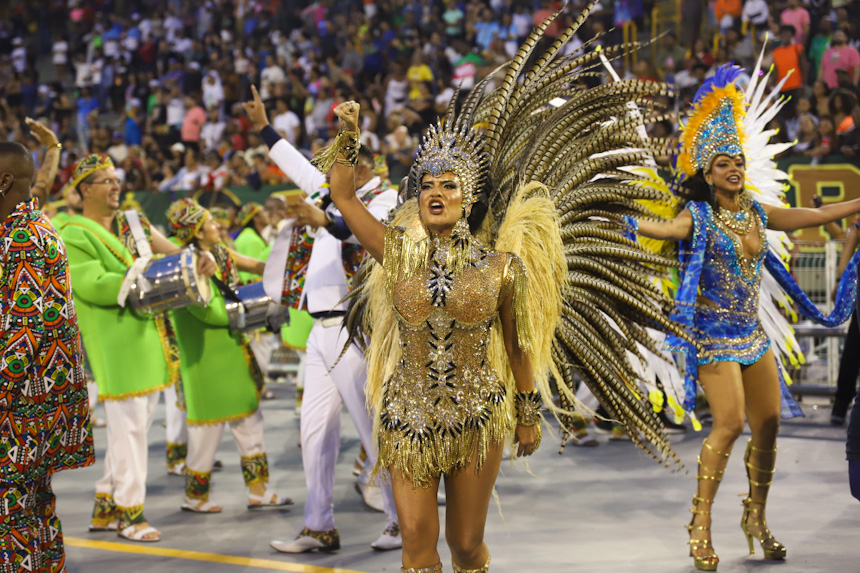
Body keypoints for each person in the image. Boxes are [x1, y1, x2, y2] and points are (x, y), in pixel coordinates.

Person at [636, 64, 860, 571]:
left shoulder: (757, 212)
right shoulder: (699, 215)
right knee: (730, 423)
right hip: (713, 338)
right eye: (722, 163)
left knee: (770, 423)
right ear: (706, 174)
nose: (734, 168)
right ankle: (700, 524)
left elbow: (818, 216)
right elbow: (669, 229)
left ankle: (755, 516)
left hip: (752, 336)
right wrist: (625, 221)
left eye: (738, 160)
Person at [242, 85, 402, 553]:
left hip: (358, 329)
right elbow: (293, 163)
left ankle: (399, 520)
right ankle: (318, 525)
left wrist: (326, 219)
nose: (328, 173)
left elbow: (366, 237)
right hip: (319, 330)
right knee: (314, 432)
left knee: (375, 430)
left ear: (360, 164)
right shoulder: (332, 192)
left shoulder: (383, 198)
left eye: (337, 165)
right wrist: (263, 127)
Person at [59, 154, 215, 542]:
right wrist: (140, 272)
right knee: (129, 431)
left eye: (117, 179)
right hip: (115, 341)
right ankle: (131, 516)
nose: (116, 187)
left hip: (149, 333)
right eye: (107, 181)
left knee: (134, 428)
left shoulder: (134, 223)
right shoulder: (73, 232)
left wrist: (200, 258)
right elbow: (91, 282)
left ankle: (106, 504)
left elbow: (173, 253)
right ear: (84, 191)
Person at [0, 127, 93, 571]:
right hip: (35, 411)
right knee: (34, 512)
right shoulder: (27, 225)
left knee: (10, 520)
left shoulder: (23, 239)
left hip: (19, 411)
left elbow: (21, 336)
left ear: (3, 183)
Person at [165, 198, 291, 512]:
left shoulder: (220, 252)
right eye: (210, 223)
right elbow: (210, 313)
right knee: (206, 431)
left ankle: (259, 490)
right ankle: (195, 497)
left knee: (250, 420)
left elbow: (255, 265)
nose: (218, 226)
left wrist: (284, 267)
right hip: (206, 360)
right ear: (196, 232)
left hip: (232, 353)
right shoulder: (184, 265)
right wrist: (248, 307)